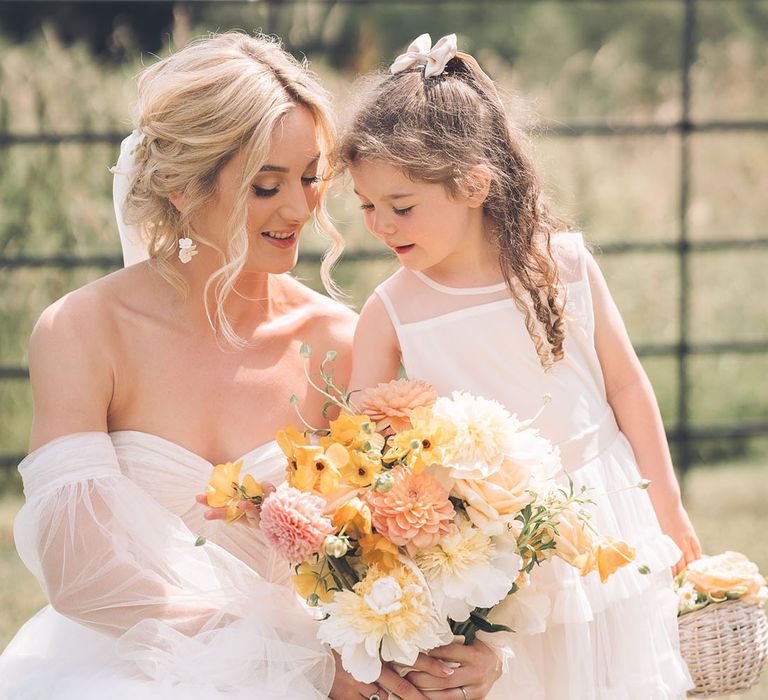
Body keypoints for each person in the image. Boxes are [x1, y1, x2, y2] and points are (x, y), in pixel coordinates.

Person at [0, 32, 446, 700]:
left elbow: (395, 548)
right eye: (266, 186)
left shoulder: (341, 342)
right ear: (181, 187)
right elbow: (79, 570)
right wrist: (291, 660)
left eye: (309, 178)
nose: (299, 209)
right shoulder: (82, 331)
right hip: (125, 669)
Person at [343, 33, 700, 699]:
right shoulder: (391, 310)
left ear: (474, 184)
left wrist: (670, 508)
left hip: (602, 520)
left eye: (401, 206)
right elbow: (371, 458)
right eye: (367, 206)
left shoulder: (561, 266)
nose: (381, 225)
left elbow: (624, 385)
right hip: (489, 552)